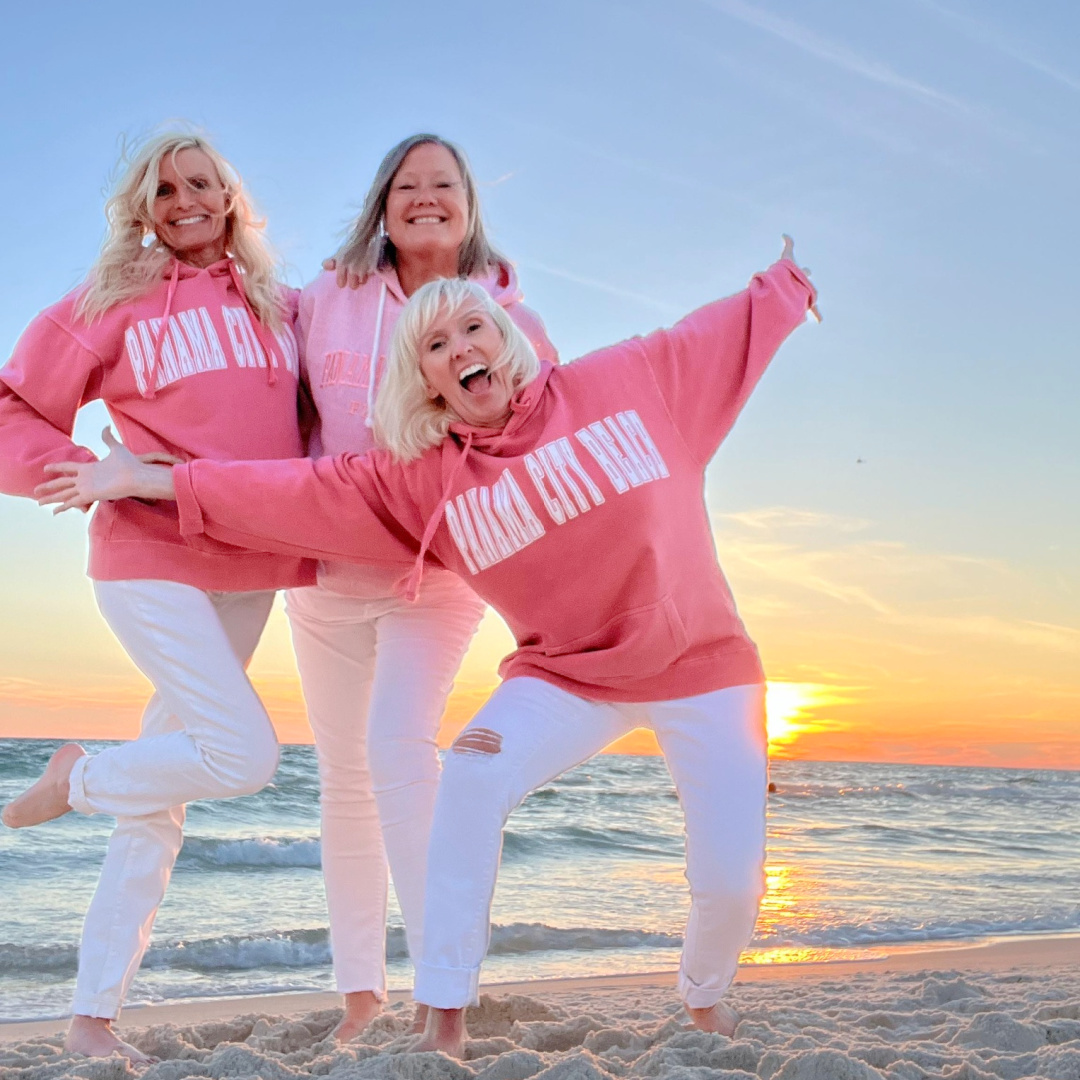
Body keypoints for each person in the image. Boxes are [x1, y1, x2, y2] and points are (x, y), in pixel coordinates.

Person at [37, 237, 818, 1057]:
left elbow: (723, 331)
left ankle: (702, 997)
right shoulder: (423, 481)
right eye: (434, 346)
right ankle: (443, 1013)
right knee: (472, 773)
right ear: (425, 379)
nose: (460, 351)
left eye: (472, 328)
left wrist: (788, 284)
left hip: (705, 672)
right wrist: (148, 480)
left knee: (730, 884)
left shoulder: (630, 380)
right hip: (565, 678)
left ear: (506, 336)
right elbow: (292, 492)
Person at [0, 132, 311, 1063]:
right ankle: (75, 781)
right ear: (143, 206)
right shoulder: (114, 301)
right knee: (245, 755)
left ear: (229, 194)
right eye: (165, 188)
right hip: (148, 557)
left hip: (250, 560)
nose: (185, 200)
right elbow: (15, 404)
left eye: (201, 183)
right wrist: (91, 469)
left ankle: (94, 1013)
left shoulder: (277, 303)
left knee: (163, 798)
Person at [291, 133, 557, 1039]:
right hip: (325, 571)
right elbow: (254, 362)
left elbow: (548, 428)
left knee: (399, 750)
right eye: (408, 185)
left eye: (445, 184)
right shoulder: (329, 295)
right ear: (382, 203)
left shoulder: (509, 312)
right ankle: (360, 997)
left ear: (470, 203)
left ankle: (440, 988)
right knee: (342, 779)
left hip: (435, 576)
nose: (426, 198)